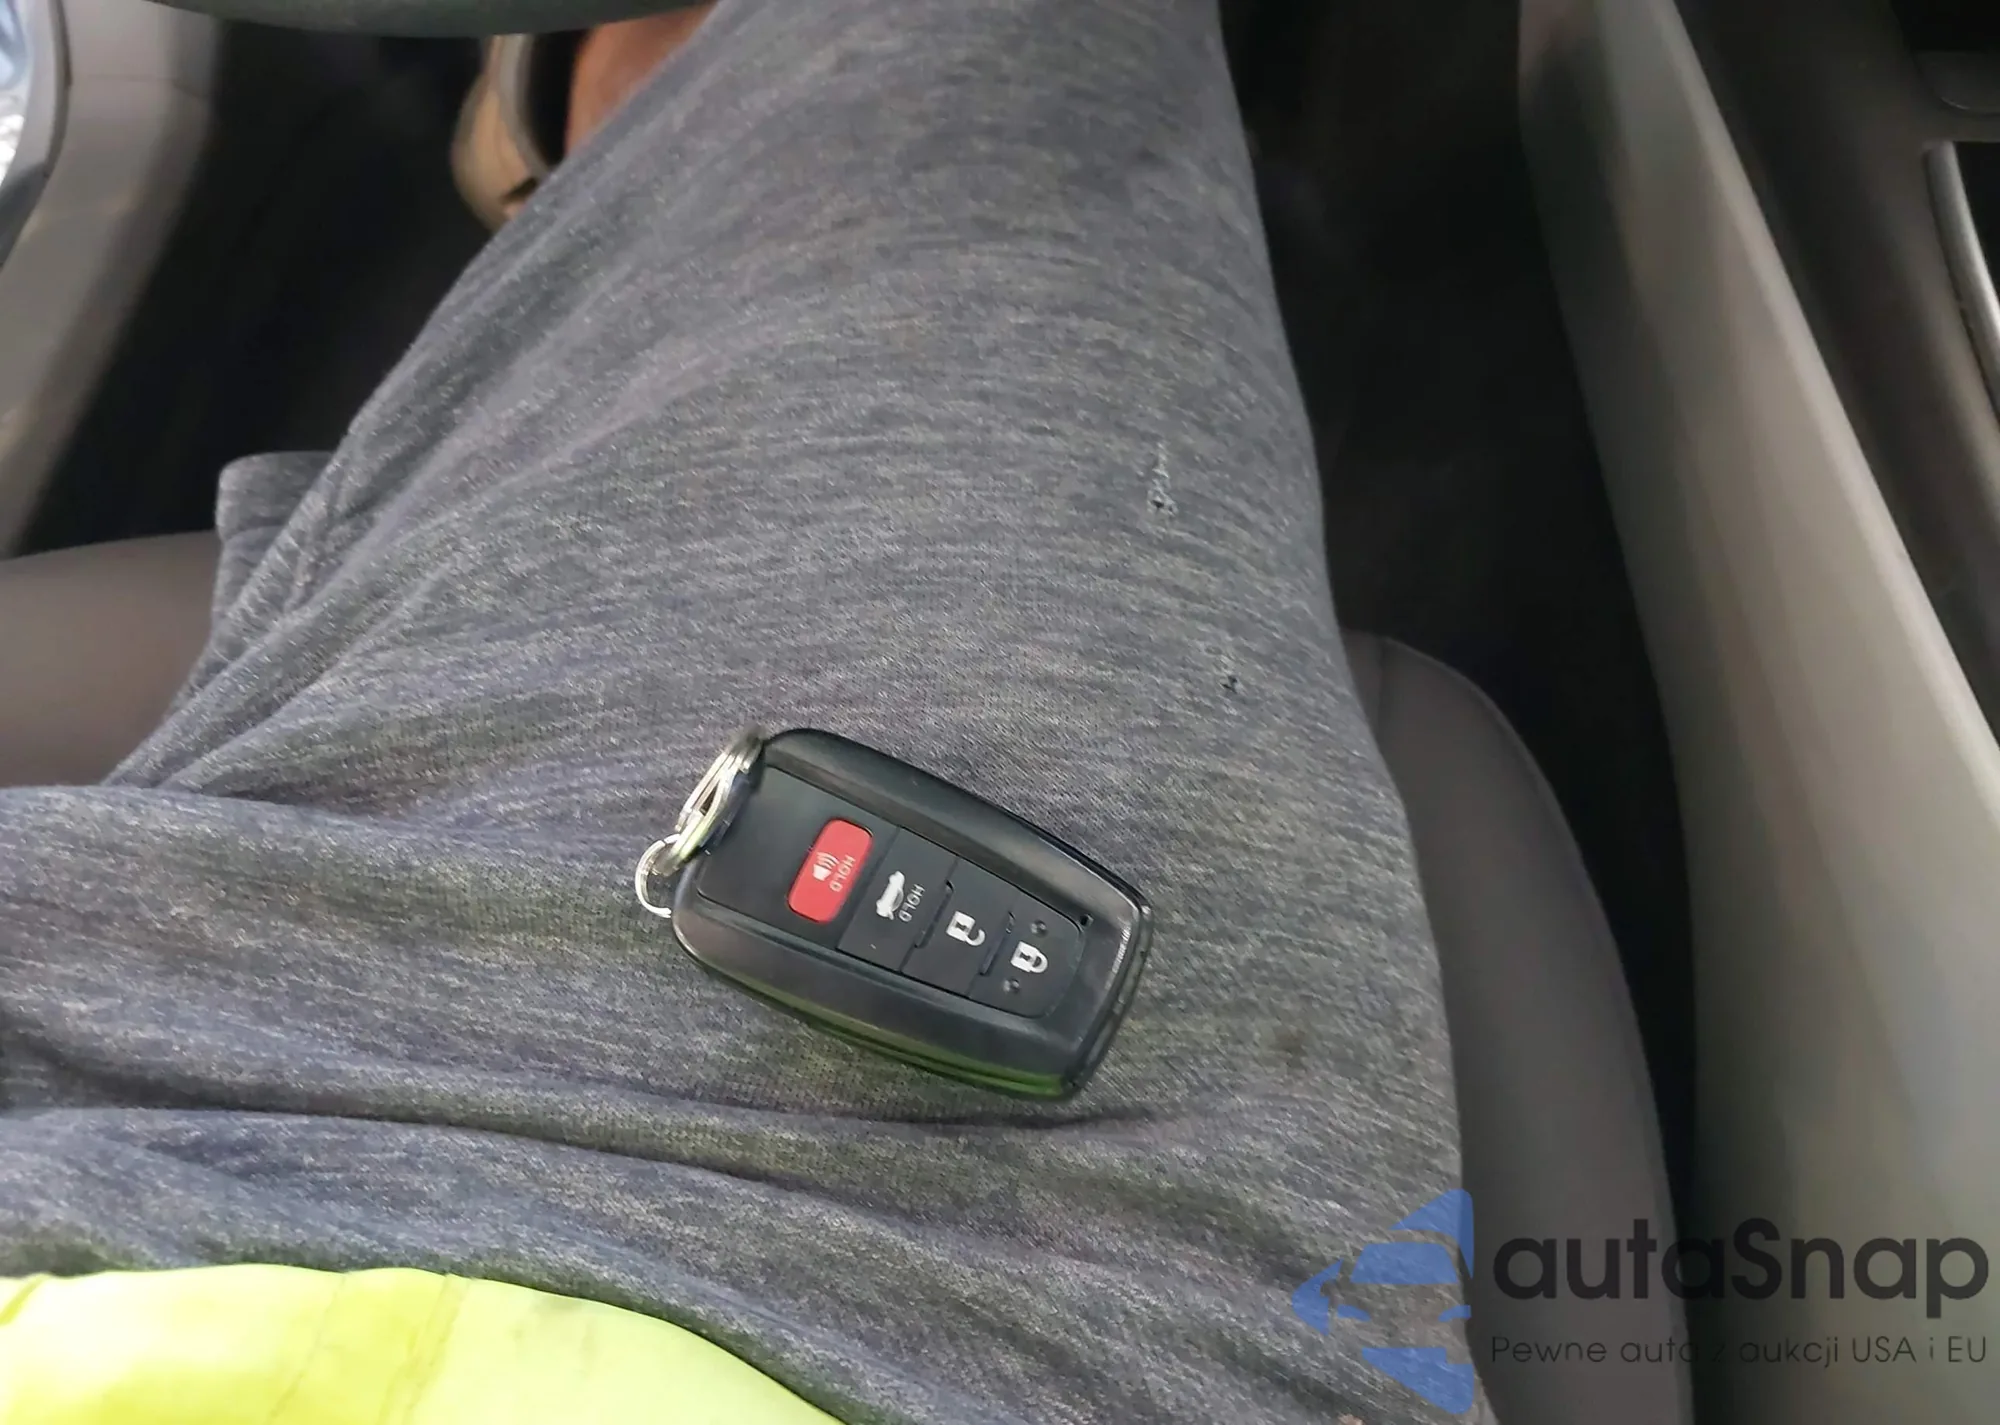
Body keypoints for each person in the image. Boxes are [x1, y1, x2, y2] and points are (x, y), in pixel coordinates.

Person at [0, 1, 1476, 1420]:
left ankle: (603, 157)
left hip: (110, 1152)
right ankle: (616, 125)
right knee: (1000, 41)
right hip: (930, 1296)